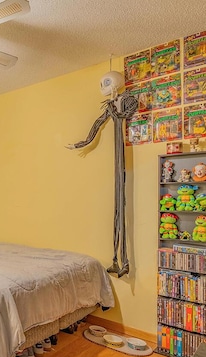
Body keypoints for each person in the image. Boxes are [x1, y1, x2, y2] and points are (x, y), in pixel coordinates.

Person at [66, 71, 138, 277]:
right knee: (117, 210)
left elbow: (104, 122)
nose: (104, 87)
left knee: (121, 206)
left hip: (122, 156)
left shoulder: (126, 103)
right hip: (117, 158)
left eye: (106, 83)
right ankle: (117, 258)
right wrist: (80, 144)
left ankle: (123, 259)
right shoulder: (109, 108)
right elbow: (96, 126)